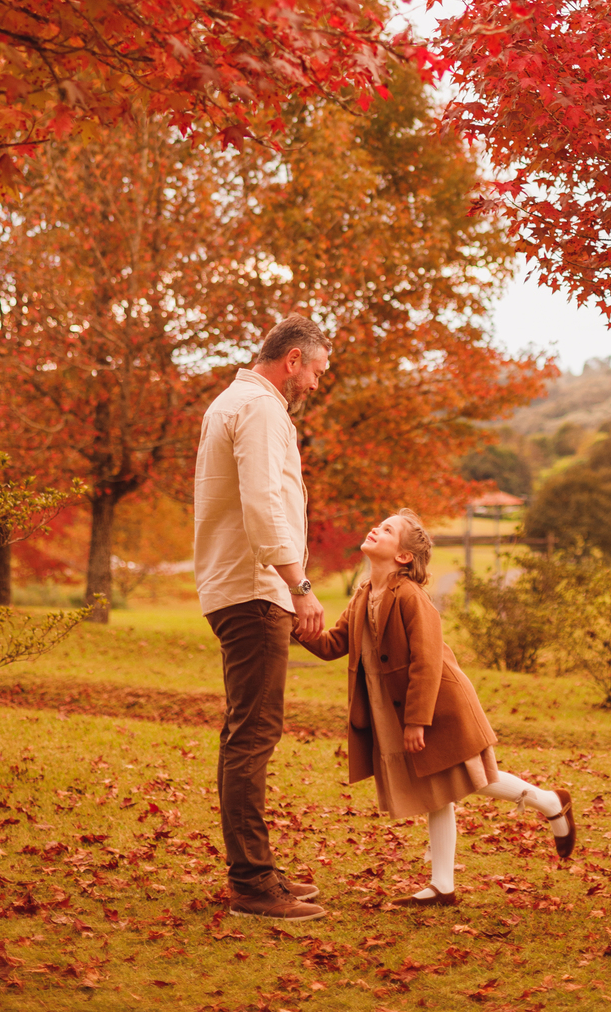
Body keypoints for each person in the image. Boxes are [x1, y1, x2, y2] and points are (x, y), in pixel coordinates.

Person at [294, 508, 575, 905]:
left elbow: (426, 659)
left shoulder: (410, 596)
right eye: (379, 523)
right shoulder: (363, 596)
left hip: (438, 704)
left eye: (388, 529)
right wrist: (294, 620)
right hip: (402, 707)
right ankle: (444, 885)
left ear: (404, 556)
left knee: (468, 776)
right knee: (439, 790)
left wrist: (416, 721)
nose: (377, 527)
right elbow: (331, 645)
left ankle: (548, 802)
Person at [194, 312, 330, 921]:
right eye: (317, 371)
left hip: (242, 586)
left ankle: (258, 870)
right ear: (293, 359)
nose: (317, 385)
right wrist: (298, 585)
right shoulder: (262, 409)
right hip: (254, 590)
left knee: (247, 733)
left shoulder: (236, 401)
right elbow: (262, 503)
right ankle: (251, 883)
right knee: (252, 736)